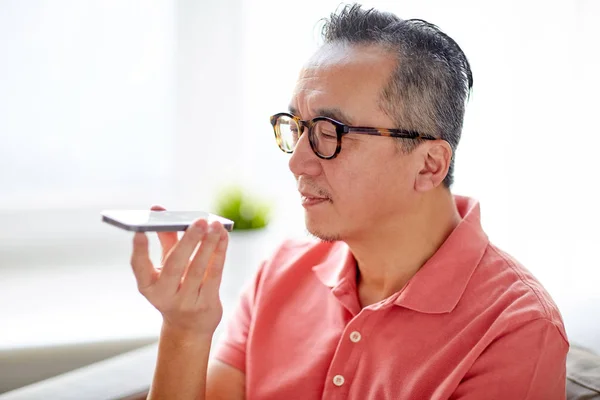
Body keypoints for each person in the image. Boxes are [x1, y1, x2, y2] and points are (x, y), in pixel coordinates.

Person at [130, 4, 569, 399]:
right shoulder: (279, 274)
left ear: (429, 165)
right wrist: (185, 330)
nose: (298, 162)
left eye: (329, 132)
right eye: (298, 127)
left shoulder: (516, 328)